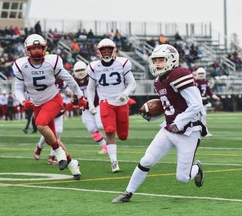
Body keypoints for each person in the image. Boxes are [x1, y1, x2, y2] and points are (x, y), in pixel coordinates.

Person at [112, 44, 205, 204]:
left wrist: (179, 122)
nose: (157, 64)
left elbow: (196, 104)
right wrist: (152, 116)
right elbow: (169, 107)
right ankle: (128, 193)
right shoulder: (158, 81)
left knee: (182, 178)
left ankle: (197, 168)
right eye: (155, 60)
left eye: (161, 60)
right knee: (147, 160)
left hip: (188, 131)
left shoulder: (180, 74)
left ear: (172, 60)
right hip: (168, 130)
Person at [12, 34, 87, 180]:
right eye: (33, 48)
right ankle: (72, 164)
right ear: (27, 50)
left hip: (53, 99)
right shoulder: (21, 66)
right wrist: (23, 101)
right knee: (51, 138)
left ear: (44, 48)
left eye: (39, 47)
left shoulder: (52, 61)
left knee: (40, 124)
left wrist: (80, 96)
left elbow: (69, 79)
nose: (37, 51)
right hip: (37, 104)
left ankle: (59, 154)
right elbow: (18, 89)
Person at [86, 38, 137, 173]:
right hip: (105, 102)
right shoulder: (94, 66)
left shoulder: (122, 63)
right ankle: (114, 162)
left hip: (121, 102)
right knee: (109, 130)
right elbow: (90, 88)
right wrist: (91, 103)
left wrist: (125, 94)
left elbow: (132, 83)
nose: (107, 53)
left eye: (109, 50)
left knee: (123, 136)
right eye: (104, 51)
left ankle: (114, 156)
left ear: (114, 51)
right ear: (99, 52)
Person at [73, 61, 108, 154]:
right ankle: (105, 147)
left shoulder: (91, 78)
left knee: (100, 125)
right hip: (85, 109)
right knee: (91, 129)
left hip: (96, 105)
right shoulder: (73, 81)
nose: (80, 72)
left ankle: (111, 137)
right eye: (78, 70)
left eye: (82, 70)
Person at [195, 67, 220, 137]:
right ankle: (204, 132)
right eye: (199, 73)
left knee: (201, 117)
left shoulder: (206, 82)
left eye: (202, 73)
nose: (201, 75)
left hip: (203, 101)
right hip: (196, 102)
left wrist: (215, 97)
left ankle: (200, 131)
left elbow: (209, 93)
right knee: (203, 115)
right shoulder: (194, 82)